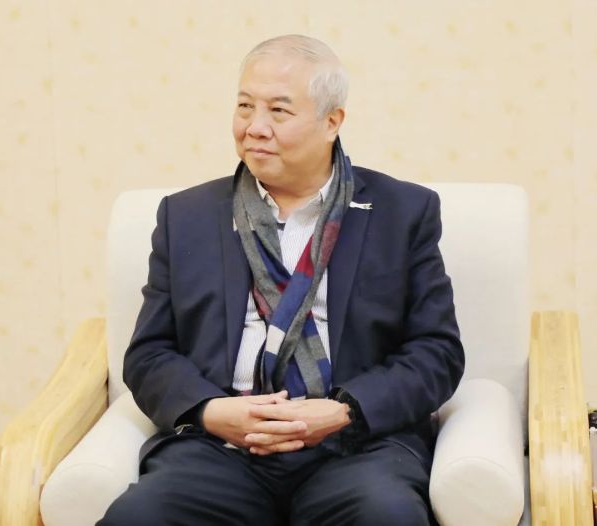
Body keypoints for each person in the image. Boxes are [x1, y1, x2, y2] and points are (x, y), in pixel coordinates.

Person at [98, 34, 465, 526]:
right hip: (221, 448)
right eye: (244, 107)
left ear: (332, 121)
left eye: (278, 111)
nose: (255, 127)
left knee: (387, 514)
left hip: (355, 447)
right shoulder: (185, 217)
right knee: (139, 516)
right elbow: (149, 354)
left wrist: (344, 411)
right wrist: (210, 410)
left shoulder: (402, 212)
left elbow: (436, 352)